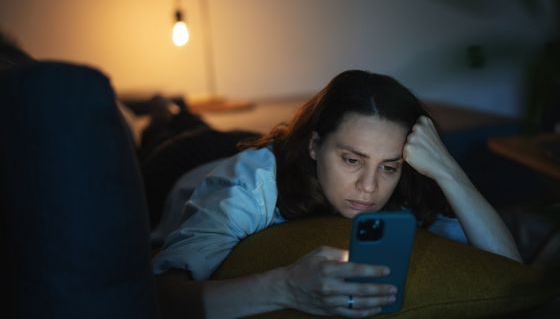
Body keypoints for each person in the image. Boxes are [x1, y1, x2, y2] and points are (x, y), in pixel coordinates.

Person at [150, 70, 522, 318]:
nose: (370, 187)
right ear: (315, 145)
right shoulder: (251, 184)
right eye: (351, 160)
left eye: (388, 166)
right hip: (186, 161)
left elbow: (510, 277)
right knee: (167, 130)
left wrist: (449, 170)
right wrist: (285, 288)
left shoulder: (406, 183)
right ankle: (164, 112)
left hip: (273, 145)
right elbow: (161, 297)